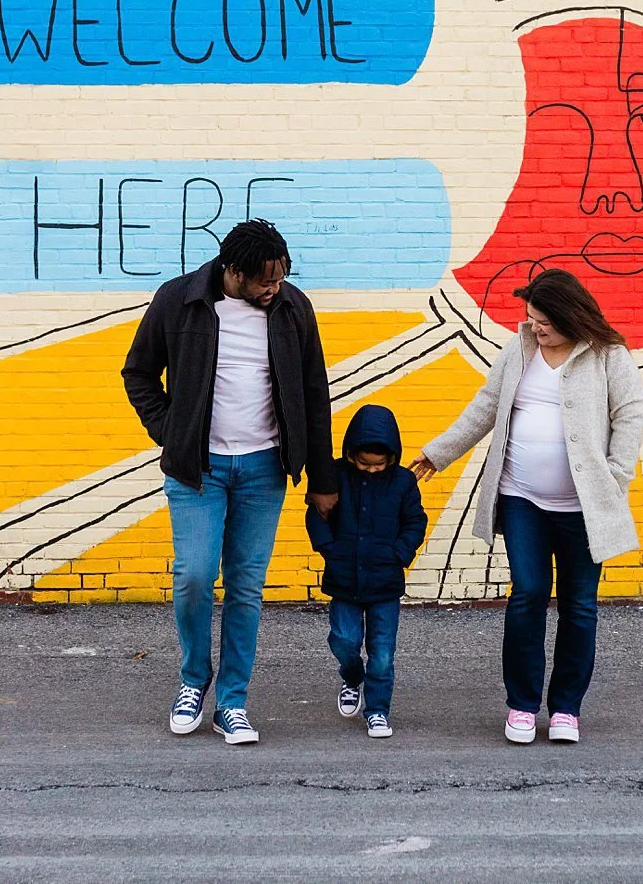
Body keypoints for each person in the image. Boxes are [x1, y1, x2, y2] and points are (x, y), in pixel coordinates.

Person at [121, 219, 336, 745]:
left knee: (245, 588)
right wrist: (172, 433)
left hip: (265, 470)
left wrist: (322, 475)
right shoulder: (180, 300)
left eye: (282, 277)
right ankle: (194, 680)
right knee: (194, 577)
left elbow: (314, 390)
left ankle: (233, 702)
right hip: (199, 469)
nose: (274, 288)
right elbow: (139, 373)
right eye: (264, 279)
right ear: (232, 271)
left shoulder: (292, 308)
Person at [411, 268, 643, 745]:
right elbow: (486, 406)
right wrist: (439, 451)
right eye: (532, 318)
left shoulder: (609, 356)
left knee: (579, 607)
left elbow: (629, 415)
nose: (537, 328)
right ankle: (521, 705)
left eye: (546, 321)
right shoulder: (518, 351)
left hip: (583, 507)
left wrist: (614, 479)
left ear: (571, 315)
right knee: (528, 593)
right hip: (522, 498)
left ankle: (565, 711)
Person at [305, 403, 427, 739]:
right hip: (343, 579)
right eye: (363, 464)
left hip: (385, 583)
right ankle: (352, 678)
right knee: (343, 640)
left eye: (379, 465)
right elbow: (316, 511)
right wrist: (329, 549)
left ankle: (377, 711)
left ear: (392, 457)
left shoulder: (402, 482)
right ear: (350, 454)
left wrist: (399, 553)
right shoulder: (335, 475)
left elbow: (416, 521)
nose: (371, 470)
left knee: (383, 653)